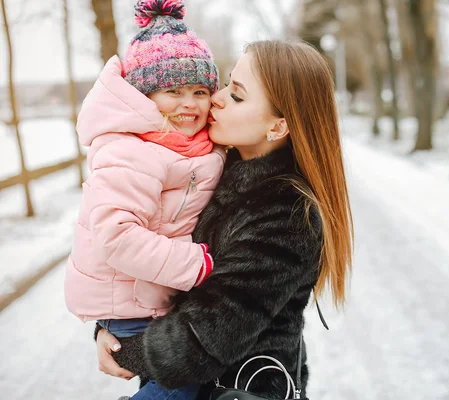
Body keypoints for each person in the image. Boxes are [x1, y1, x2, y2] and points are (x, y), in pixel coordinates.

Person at [95, 39, 354, 400]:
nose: (217, 97)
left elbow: (212, 330)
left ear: (277, 127)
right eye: (229, 82)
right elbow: (152, 249)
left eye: (237, 95)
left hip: (242, 390)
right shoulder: (215, 170)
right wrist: (111, 324)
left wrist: (126, 350)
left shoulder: (288, 213)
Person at [64, 1, 224, 398]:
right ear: (143, 97)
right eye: (173, 91)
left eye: (200, 91)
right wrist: (197, 263)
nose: (189, 103)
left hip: (152, 298)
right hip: (132, 307)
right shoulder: (131, 151)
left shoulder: (190, 146)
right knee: (179, 389)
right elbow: (116, 235)